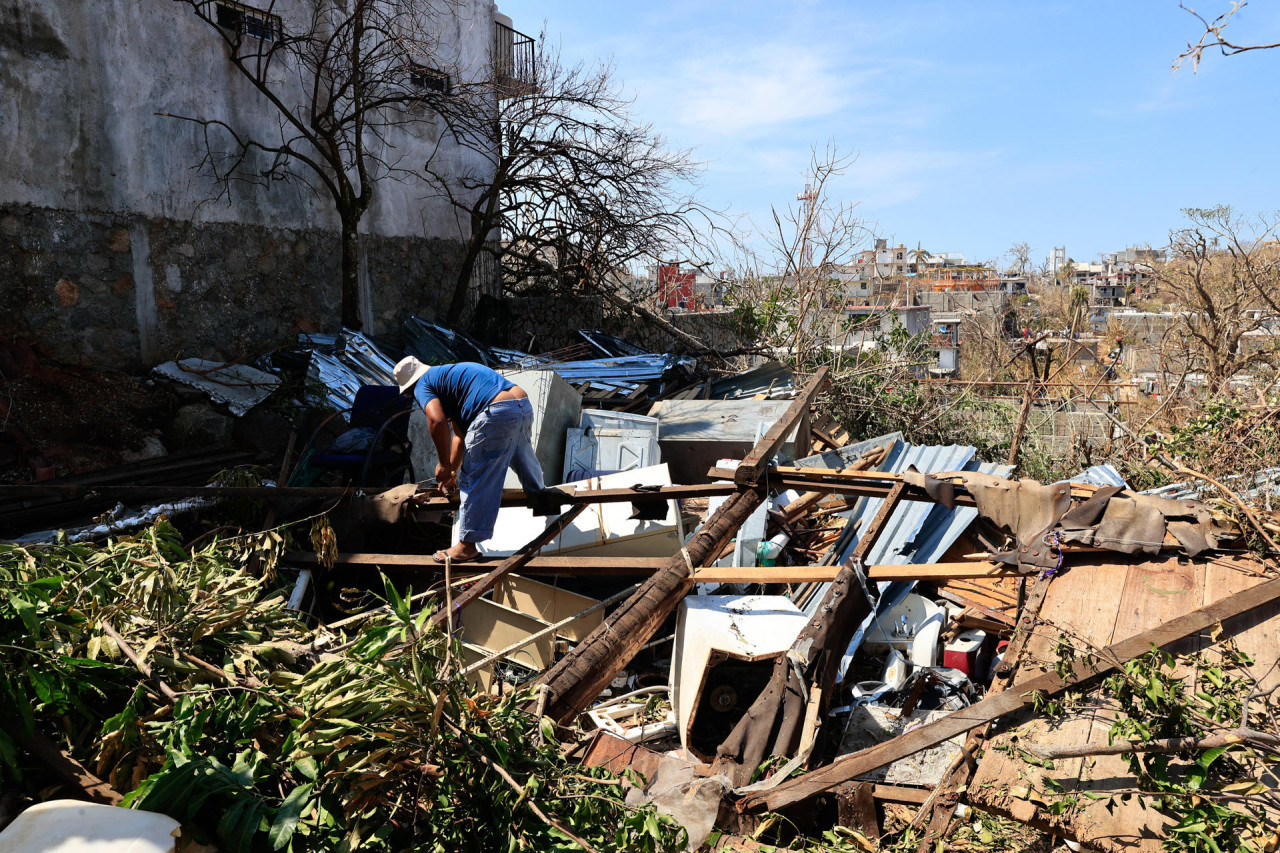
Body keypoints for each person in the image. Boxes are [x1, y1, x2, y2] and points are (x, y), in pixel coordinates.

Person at [394, 356, 546, 563]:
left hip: (495, 411)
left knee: (476, 478)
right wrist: (451, 475)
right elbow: (459, 435)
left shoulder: (423, 384)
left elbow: (437, 421)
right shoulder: (449, 376)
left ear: (410, 386)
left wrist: (443, 464)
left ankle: (466, 547)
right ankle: (539, 493)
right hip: (520, 404)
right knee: (522, 453)